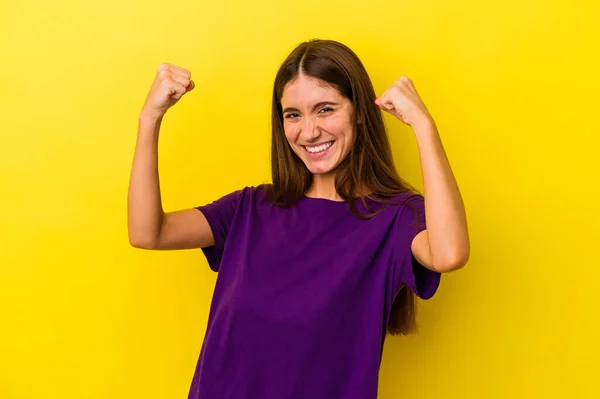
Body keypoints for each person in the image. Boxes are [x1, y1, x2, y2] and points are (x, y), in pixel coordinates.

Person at [128, 39, 470, 399]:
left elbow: (449, 254)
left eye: (325, 109)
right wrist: (149, 118)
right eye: (293, 115)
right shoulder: (249, 208)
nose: (308, 132)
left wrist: (422, 125)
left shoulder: (395, 218)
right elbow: (148, 232)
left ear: (358, 111)